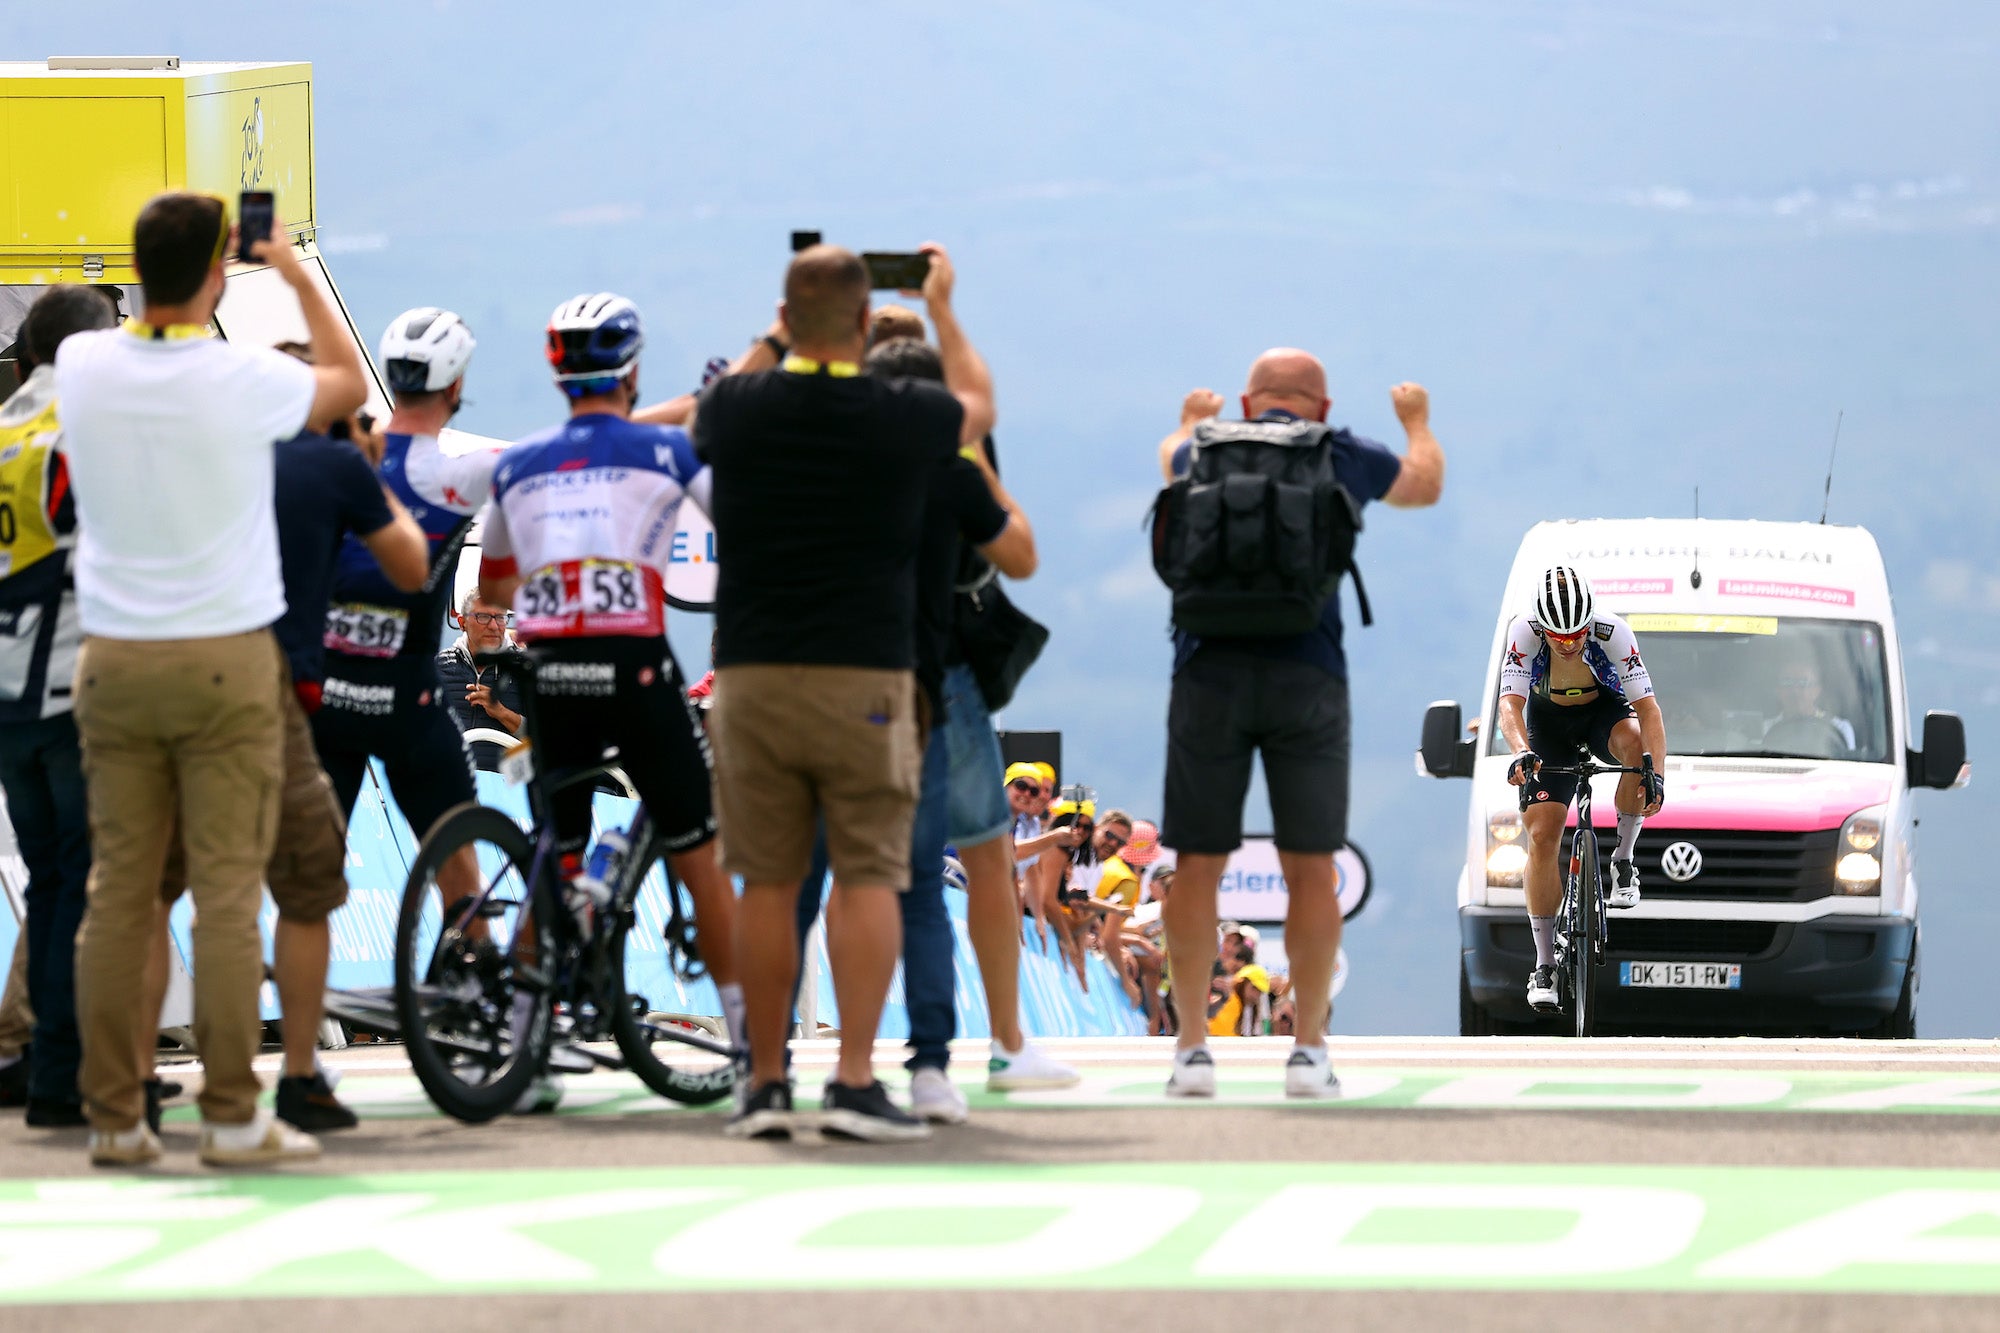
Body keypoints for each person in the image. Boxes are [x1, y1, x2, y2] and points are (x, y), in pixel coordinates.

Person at [58, 192, 366, 1166]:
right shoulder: (238, 378)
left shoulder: (82, 364)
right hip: (228, 657)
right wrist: (291, 268)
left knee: (119, 892)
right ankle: (233, 1115)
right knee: (229, 895)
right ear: (219, 268)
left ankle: (113, 1113)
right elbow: (343, 380)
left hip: (110, 660)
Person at [695, 243, 991, 1142]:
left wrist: (773, 336)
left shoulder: (740, 408)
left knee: (767, 882)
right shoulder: (900, 412)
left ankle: (766, 1081)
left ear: (785, 321)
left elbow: (708, 413)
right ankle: (856, 1079)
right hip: (866, 673)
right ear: (867, 326)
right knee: (867, 876)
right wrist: (940, 307)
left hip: (750, 673)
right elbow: (978, 408)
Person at [477, 291, 744, 1112]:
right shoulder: (661, 454)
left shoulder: (518, 465)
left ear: (558, 372)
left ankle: (521, 1047)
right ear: (630, 370)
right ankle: (751, 1056)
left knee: (549, 853)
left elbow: (493, 587)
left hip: (550, 669)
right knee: (699, 851)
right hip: (633, 666)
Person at [1156, 349, 1444, 1100]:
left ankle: (1191, 1050)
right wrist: (1416, 422)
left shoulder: (1205, 448)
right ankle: (1309, 1051)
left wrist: (1191, 418)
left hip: (1205, 672)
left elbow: (1168, 462)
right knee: (1311, 864)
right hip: (1307, 676)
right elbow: (1424, 485)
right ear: (1320, 407)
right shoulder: (1340, 451)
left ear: (1249, 405)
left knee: (1196, 863)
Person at [311, 309, 496, 945]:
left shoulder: (335, 459)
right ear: (454, 386)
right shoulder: (463, 468)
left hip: (328, 697)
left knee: (310, 886)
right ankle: (481, 983)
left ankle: (302, 1038)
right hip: (411, 704)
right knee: (458, 858)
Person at [0, 285, 115, 1128]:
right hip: (76, 689)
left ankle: (42, 1063)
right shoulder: (83, 436)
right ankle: (65, 1071)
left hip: (7, 697)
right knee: (86, 882)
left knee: (48, 882)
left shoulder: (4, 433)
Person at [1498, 565, 1668, 1013]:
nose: (1570, 643)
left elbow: (1649, 712)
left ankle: (1624, 859)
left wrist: (1657, 775)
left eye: (1578, 634)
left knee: (1634, 747)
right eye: (1559, 636)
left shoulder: (1614, 632)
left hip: (1602, 713)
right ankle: (1544, 964)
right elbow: (1510, 706)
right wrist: (1520, 751)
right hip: (1546, 722)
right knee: (1540, 835)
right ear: (1541, 627)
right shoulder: (1523, 632)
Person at [436, 589, 527, 769]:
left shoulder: (524, 668)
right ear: (462, 623)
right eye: (483, 617)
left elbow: (546, 739)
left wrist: (501, 712)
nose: (494, 626)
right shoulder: (440, 667)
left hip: (507, 789)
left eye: (500, 617)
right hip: (450, 783)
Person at [1763, 655, 1855, 757]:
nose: (1795, 691)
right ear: (1777, 690)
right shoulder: (1764, 729)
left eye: (1803, 683)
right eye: (1787, 683)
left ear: (1817, 690)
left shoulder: (1840, 729)